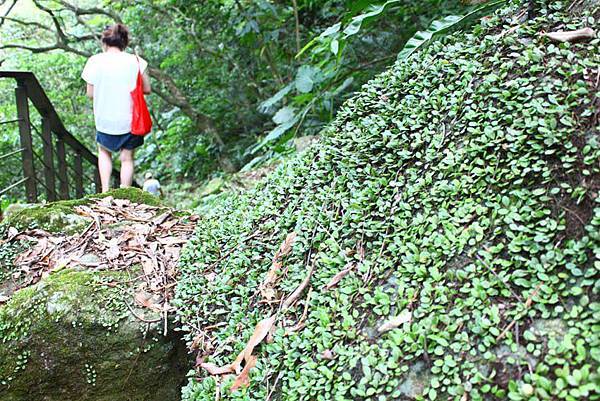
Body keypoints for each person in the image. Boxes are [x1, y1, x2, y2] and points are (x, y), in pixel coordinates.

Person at [81, 23, 151, 192]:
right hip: (129, 120)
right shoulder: (136, 61)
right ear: (124, 42)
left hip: (105, 118)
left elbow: (90, 93)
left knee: (104, 152)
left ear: (104, 42)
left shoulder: (94, 61)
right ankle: (124, 193)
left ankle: (105, 192)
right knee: (127, 158)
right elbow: (147, 89)